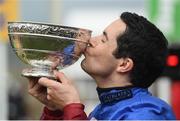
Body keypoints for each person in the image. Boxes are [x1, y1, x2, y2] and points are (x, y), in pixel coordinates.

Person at [28, 12, 176, 120]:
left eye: (103, 39)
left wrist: (72, 106)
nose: (91, 40)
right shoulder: (104, 108)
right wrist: (56, 111)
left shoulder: (147, 114)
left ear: (124, 64)